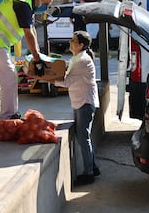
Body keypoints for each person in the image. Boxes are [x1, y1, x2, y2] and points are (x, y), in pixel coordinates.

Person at [0, 0, 54, 120]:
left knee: (9, 76)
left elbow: (33, 32)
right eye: (46, 4)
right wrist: (37, 59)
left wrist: (38, 56)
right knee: (9, 76)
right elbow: (28, 34)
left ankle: (10, 113)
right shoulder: (24, 5)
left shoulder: (27, 3)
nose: (46, 7)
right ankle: (8, 115)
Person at [50, 31, 100, 185]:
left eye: (73, 40)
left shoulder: (82, 61)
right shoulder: (77, 58)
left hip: (84, 102)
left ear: (81, 45)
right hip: (81, 101)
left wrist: (49, 79)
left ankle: (89, 173)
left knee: (83, 137)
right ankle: (93, 167)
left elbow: (66, 82)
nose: (70, 42)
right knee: (82, 136)